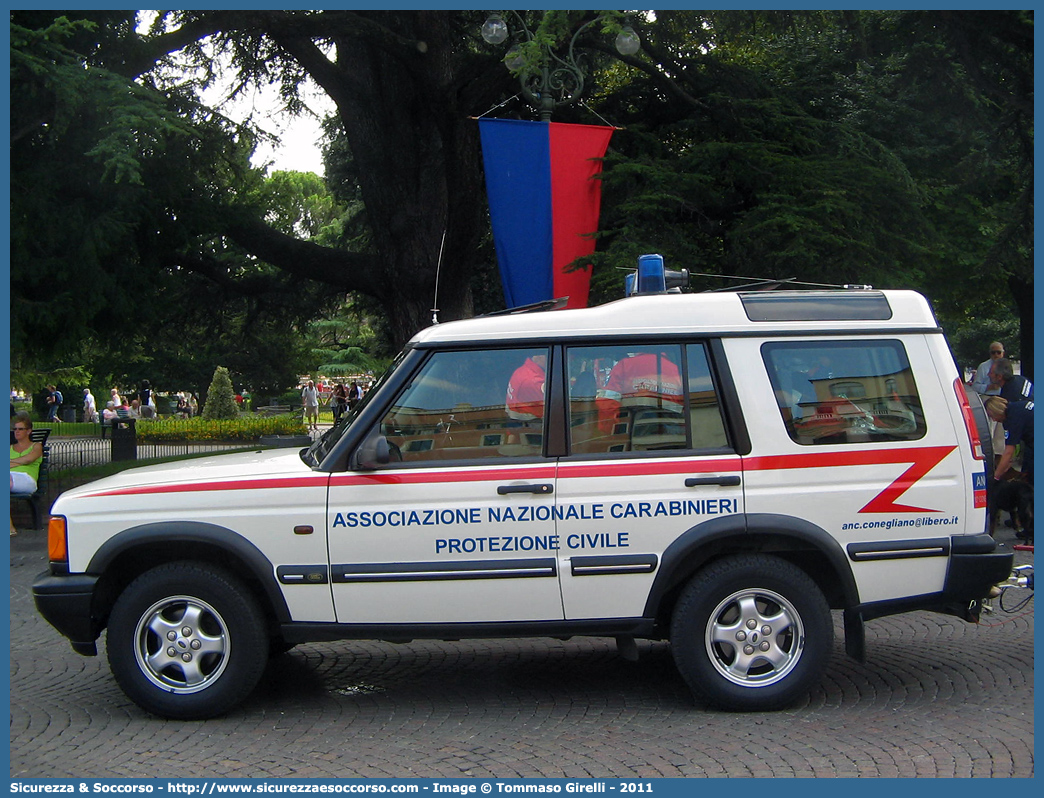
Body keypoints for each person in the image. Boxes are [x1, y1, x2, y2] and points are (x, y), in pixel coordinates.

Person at [985, 396, 1034, 485]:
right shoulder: (1017, 406)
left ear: (997, 411)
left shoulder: (1012, 420)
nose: (994, 420)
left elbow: (1009, 452)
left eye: (992, 416)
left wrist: (996, 477)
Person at [971, 342, 1006, 461]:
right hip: (988, 397)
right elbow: (975, 386)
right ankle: (988, 454)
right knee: (989, 429)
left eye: (999, 352)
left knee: (1001, 431)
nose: (996, 355)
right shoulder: (984, 366)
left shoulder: (1006, 365)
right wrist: (988, 387)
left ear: (1003, 353)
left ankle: (999, 457)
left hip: (1002, 398)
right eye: (993, 352)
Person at [10, 412, 43, 536]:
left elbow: (28, 459)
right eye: (15, 429)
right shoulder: (9, 448)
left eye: (20, 429)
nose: (17, 432)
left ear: (28, 431)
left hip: (27, 480)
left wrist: (11, 462)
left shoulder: (36, 446)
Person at [506, 354, 547, 421]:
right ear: (539, 357)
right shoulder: (533, 382)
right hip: (529, 424)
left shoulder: (522, 370)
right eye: (547, 356)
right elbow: (553, 407)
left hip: (516, 417)